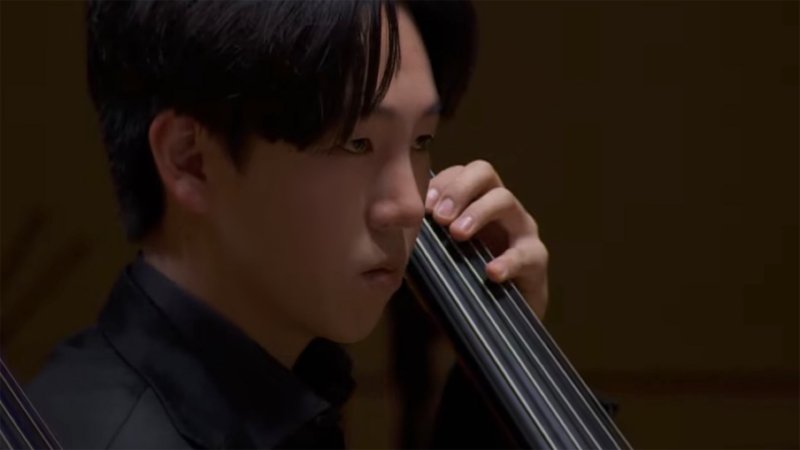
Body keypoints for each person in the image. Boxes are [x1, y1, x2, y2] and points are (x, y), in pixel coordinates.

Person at [27, 1, 550, 448]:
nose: (411, 204)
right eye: (357, 142)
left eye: (422, 140)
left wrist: (501, 370)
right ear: (191, 160)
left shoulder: (285, 390)